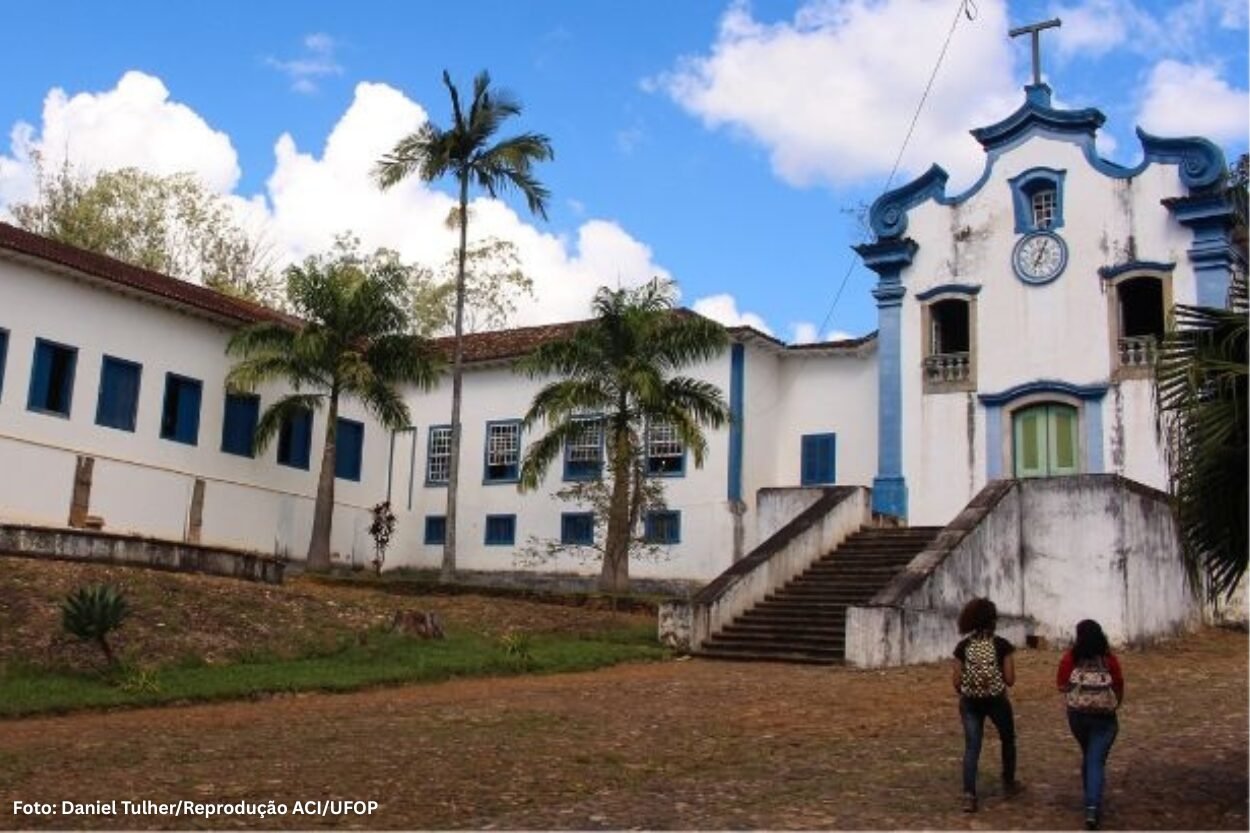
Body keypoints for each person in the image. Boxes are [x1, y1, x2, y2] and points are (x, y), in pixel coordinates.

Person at [952, 597, 1020, 813]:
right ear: (993, 620)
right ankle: (1009, 781)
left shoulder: (962, 647)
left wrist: (970, 689)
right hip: (996, 700)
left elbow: (956, 682)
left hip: (970, 702)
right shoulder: (1002, 645)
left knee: (972, 747)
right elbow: (1010, 679)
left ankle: (969, 795)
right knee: (1007, 739)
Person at [1057, 619, 1124, 831]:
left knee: (1090, 755)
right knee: (1095, 759)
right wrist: (1113, 704)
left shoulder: (1071, 658)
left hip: (1077, 717)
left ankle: (1090, 797)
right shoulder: (1109, 659)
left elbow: (1061, 686)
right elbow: (1119, 685)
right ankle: (1092, 807)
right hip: (1104, 718)